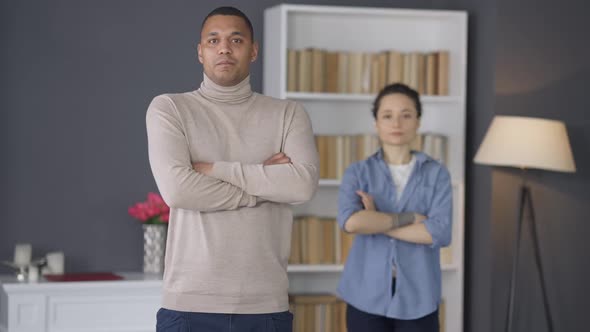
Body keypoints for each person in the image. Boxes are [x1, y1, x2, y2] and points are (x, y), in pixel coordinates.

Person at [146, 6, 319, 332]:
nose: (224, 48)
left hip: (265, 305)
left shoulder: (288, 113)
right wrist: (264, 183)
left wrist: (215, 169)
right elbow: (179, 190)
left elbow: (301, 186)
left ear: (253, 51)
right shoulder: (170, 108)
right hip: (188, 305)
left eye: (236, 40)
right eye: (213, 40)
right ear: (200, 52)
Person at [336, 83, 452, 332]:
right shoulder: (358, 172)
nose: (396, 123)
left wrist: (376, 221)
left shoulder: (437, 173)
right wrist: (410, 218)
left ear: (418, 121)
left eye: (406, 115)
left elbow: (438, 233)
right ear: (376, 122)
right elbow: (351, 222)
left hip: (419, 297)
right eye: (387, 115)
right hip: (364, 294)